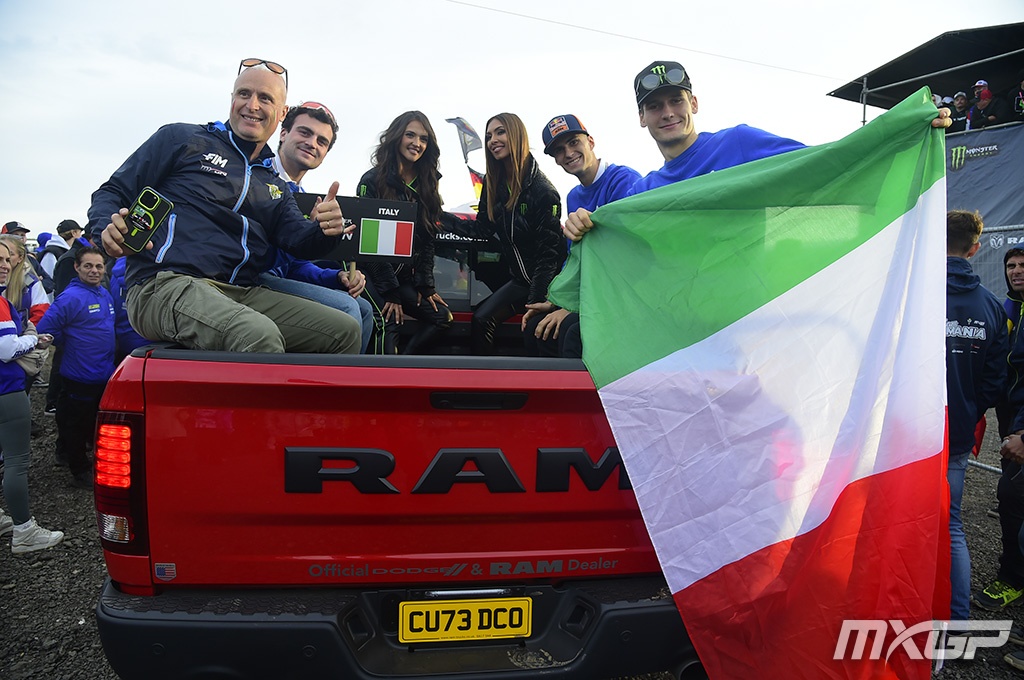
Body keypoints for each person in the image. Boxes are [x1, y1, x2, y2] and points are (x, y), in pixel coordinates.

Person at [92, 58, 360, 354]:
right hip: (163, 283)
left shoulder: (275, 185)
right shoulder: (183, 139)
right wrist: (106, 228)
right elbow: (113, 191)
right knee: (258, 335)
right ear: (232, 99)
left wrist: (324, 230)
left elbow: (299, 242)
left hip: (240, 292)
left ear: (282, 113)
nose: (252, 105)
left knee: (345, 331)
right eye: (244, 94)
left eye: (265, 98)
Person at [563, 59, 952, 241]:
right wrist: (582, 225)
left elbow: (824, 165)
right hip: (691, 329)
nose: (667, 113)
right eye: (654, 106)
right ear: (641, 117)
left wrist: (902, 134)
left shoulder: (739, 142)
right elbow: (611, 237)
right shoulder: (642, 191)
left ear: (693, 104)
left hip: (754, 312)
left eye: (676, 101)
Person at [443, 113, 565, 355]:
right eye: (489, 136)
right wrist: (438, 217)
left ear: (517, 136)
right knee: (481, 319)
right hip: (520, 280)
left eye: (500, 132)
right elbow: (482, 229)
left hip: (549, 282)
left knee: (533, 329)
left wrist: (536, 301)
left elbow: (548, 257)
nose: (493, 140)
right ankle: (484, 377)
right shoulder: (493, 183)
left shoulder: (543, 191)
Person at [259, 102, 374, 353]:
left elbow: (296, 266)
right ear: (283, 133)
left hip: (276, 280)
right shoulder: (259, 176)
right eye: (305, 132)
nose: (312, 143)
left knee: (365, 309)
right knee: (348, 308)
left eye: (322, 141)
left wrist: (337, 277)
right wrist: (308, 234)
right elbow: (255, 253)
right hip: (250, 281)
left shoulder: (301, 194)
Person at [523, 114, 642, 357]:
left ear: (591, 142)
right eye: (559, 150)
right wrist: (556, 301)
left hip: (625, 295)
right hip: (594, 294)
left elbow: (621, 258)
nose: (568, 153)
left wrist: (574, 306)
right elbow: (577, 258)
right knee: (535, 327)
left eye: (574, 142)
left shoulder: (624, 181)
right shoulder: (573, 196)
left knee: (571, 331)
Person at [945, 210, 1009, 623]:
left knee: (896, 515)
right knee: (952, 525)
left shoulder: (914, 294)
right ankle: (958, 621)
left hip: (908, 432)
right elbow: (995, 380)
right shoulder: (991, 307)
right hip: (958, 432)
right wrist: (969, 407)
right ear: (975, 249)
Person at [357, 111, 453, 354]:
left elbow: (428, 240)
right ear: (396, 137)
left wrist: (426, 285)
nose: (417, 143)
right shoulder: (371, 180)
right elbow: (368, 243)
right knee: (389, 319)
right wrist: (391, 293)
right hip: (371, 275)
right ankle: (384, 375)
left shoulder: (428, 184)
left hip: (402, 281)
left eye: (423, 139)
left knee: (442, 317)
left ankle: (406, 364)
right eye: (410, 135)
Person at [0, 239, 64, 553]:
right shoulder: (0, 303)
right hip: (7, 389)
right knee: (16, 461)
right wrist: (33, 340)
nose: (4, 265)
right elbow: (6, 349)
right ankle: (24, 531)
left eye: (6, 259)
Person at [37, 247, 117, 489]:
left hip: (102, 372)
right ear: (77, 267)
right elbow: (45, 329)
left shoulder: (104, 293)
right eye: (88, 266)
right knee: (75, 424)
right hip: (80, 374)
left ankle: (65, 452)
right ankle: (80, 471)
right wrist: (71, 343)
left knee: (86, 420)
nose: (94, 271)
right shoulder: (71, 297)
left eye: (99, 266)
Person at [976, 247, 1024, 613]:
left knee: (1011, 495)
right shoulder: (1005, 308)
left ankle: (1012, 578)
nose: (1016, 271)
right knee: (1011, 497)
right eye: (1011, 265)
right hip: (1011, 420)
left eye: (1023, 265)